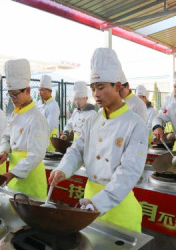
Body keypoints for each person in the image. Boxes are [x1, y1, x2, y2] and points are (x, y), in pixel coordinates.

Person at [49, 48, 148, 232]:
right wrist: (63, 169)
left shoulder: (135, 124)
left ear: (118, 86)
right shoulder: (92, 120)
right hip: (89, 201)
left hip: (119, 208)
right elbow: (77, 150)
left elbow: (129, 172)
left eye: (101, 87)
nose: (96, 94)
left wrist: (98, 203)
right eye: (93, 88)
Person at [0, 59, 49, 199]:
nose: (12, 99)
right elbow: (6, 137)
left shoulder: (37, 118)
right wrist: (4, 151)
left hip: (31, 179)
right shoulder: (16, 113)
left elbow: (36, 155)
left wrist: (13, 173)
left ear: (28, 90)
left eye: (15, 94)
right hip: (13, 173)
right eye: (10, 94)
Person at [37, 74, 60, 151]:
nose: (40, 92)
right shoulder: (38, 104)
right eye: (39, 90)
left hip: (50, 140)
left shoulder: (53, 106)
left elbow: (50, 126)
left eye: (42, 90)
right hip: (39, 138)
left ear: (49, 91)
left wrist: (40, 140)